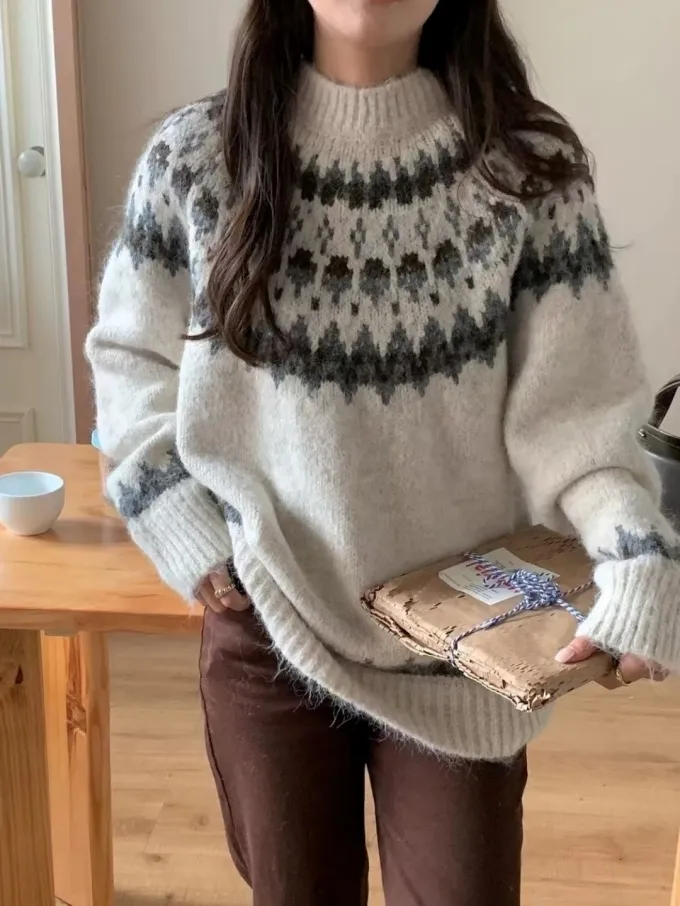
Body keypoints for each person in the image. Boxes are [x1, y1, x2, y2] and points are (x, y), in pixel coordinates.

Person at [86, 1, 680, 903]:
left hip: (463, 645)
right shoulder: (197, 159)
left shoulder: (529, 169)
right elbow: (131, 358)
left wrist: (636, 556)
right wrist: (174, 514)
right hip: (268, 620)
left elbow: (582, 416)